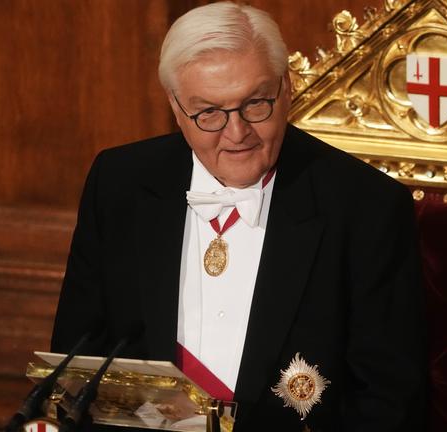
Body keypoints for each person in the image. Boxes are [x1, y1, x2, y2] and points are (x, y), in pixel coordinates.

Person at [51, 2, 425, 430]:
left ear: (286, 89)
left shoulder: (367, 206)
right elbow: (76, 365)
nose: (237, 133)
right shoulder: (119, 183)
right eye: (208, 111)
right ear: (176, 107)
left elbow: (388, 404)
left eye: (256, 103)